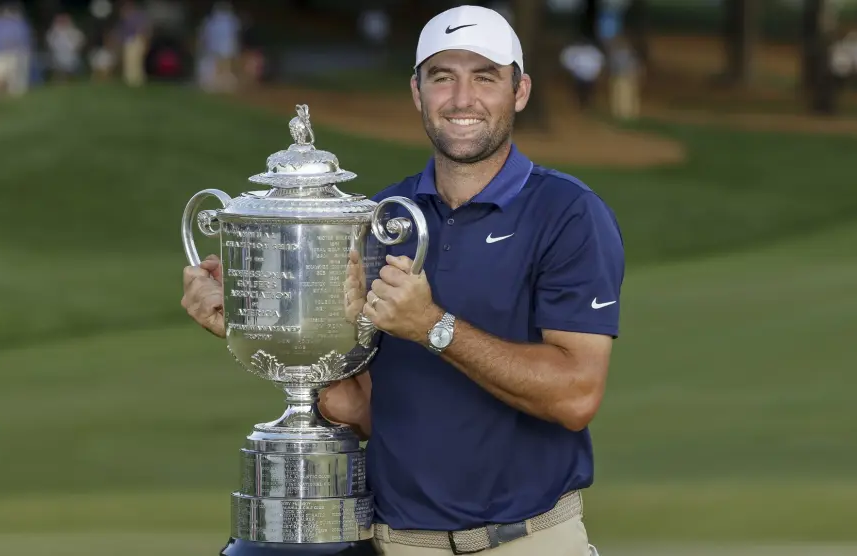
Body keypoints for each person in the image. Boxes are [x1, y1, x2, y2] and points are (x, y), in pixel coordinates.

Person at [181, 5, 624, 556]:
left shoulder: (567, 214)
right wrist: (255, 316)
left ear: (520, 90)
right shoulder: (377, 220)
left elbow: (576, 394)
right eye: (443, 77)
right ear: (417, 92)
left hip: (527, 540)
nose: (463, 99)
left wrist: (433, 326)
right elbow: (358, 406)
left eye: (485, 77)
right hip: (397, 543)